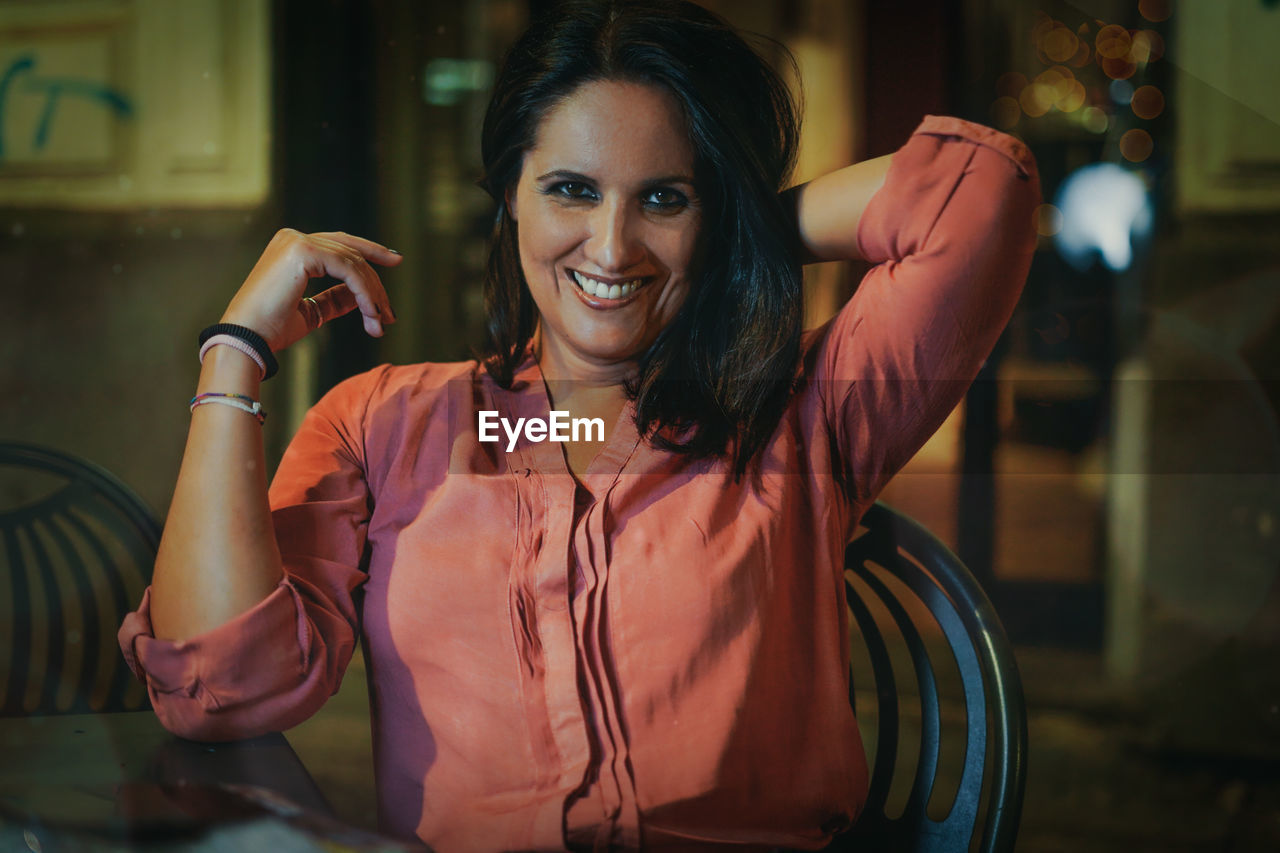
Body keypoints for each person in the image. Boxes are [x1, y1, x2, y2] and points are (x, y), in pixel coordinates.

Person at [118, 0, 1040, 849]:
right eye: (571, 189)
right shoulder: (381, 423)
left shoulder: (804, 410)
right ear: (508, 191)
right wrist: (236, 348)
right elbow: (222, 690)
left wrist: (739, 237)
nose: (611, 247)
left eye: (664, 198)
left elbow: (980, 194)